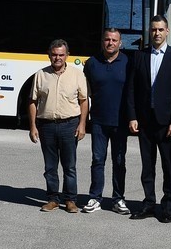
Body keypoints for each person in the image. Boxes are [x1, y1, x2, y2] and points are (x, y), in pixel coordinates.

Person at [125, 15, 171, 222]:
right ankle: (149, 204)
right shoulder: (139, 56)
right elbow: (131, 89)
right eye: (153, 30)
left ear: (167, 31)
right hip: (145, 121)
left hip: (167, 123)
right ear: (149, 31)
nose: (157, 33)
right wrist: (132, 116)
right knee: (147, 166)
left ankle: (167, 207)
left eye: (160, 29)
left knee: (168, 166)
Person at [28, 38, 89, 213]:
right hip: (46, 126)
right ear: (49, 55)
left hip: (69, 124)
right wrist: (33, 126)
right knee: (50, 166)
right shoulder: (40, 75)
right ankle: (53, 199)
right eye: (54, 55)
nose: (58, 58)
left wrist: (82, 125)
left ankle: (70, 200)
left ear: (67, 55)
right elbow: (32, 101)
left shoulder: (77, 75)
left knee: (69, 166)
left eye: (61, 55)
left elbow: (84, 101)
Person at [82, 27, 131, 214]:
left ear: (120, 43)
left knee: (119, 161)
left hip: (120, 121)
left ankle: (118, 199)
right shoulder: (92, 63)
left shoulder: (128, 62)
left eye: (114, 40)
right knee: (97, 160)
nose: (110, 43)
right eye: (107, 39)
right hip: (98, 121)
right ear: (102, 41)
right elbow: (85, 93)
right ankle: (95, 197)